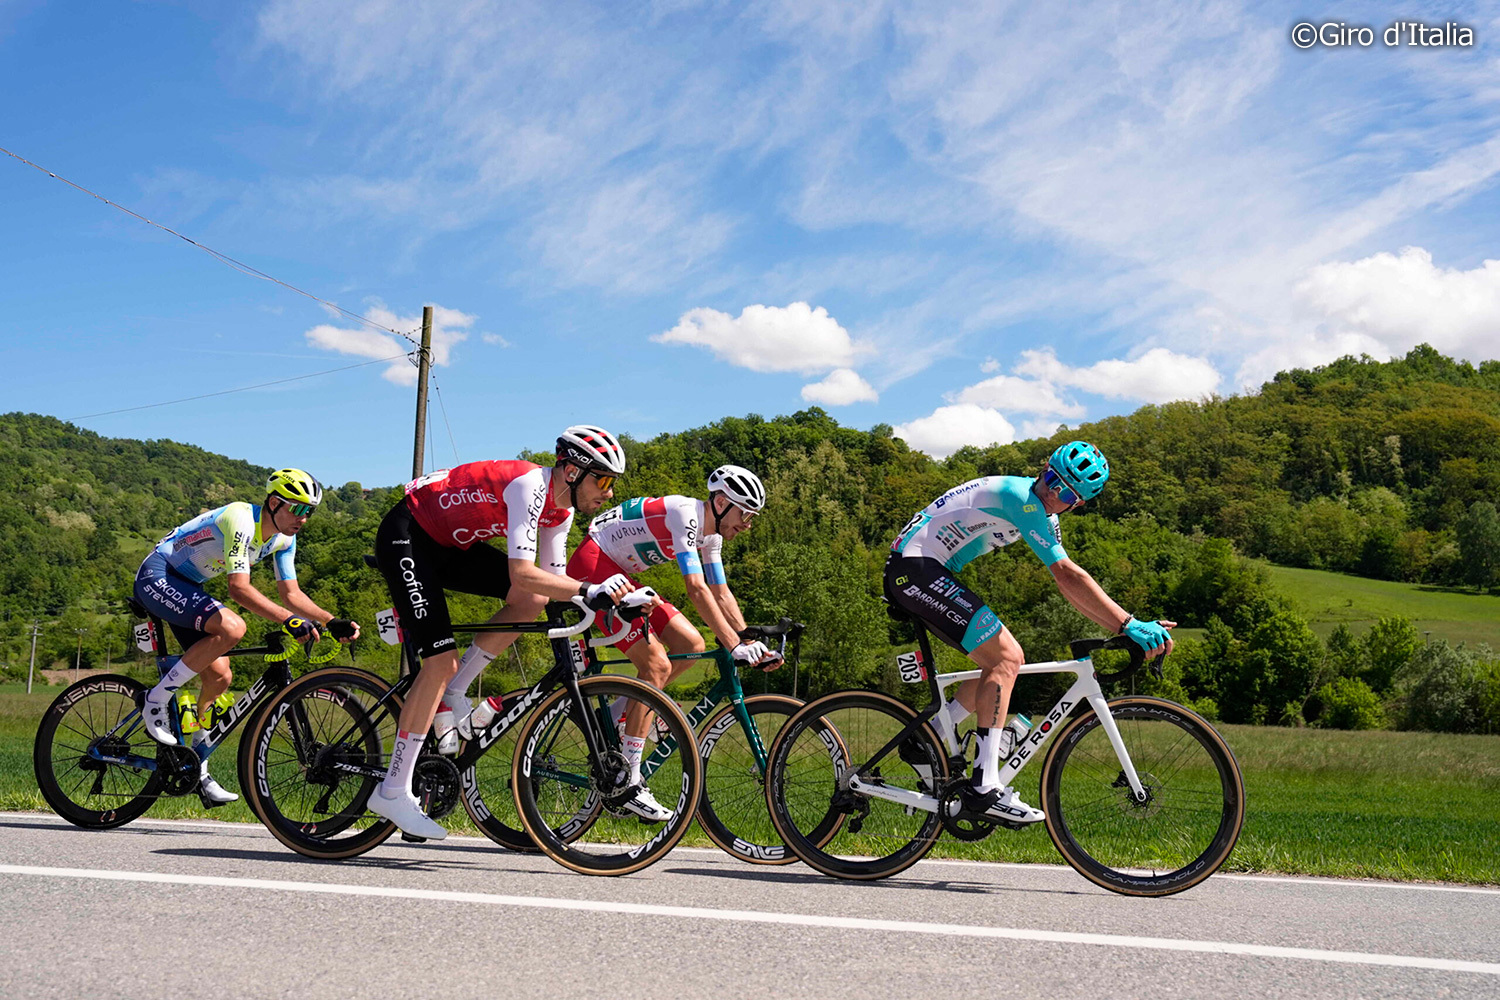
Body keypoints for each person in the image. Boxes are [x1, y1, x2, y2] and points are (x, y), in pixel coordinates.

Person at [884, 440, 1174, 825]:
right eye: (1052, 480)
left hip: (923, 568)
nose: (1053, 492)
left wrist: (1121, 628)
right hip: (914, 568)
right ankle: (984, 786)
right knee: (1007, 658)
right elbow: (1068, 574)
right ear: (1044, 469)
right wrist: (1129, 624)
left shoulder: (1043, 517)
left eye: (1065, 493)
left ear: (1076, 504)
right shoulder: (1020, 498)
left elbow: (1068, 588)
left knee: (1002, 663)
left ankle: (930, 737)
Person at [370, 425, 637, 840]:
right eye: (603, 481)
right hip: (407, 535)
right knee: (439, 662)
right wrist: (590, 589)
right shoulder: (530, 487)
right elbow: (523, 572)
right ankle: (392, 790)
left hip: (448, 546)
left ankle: (454, 692)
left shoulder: (560, 511)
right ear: (572, 472)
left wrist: (618, 598)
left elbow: (551, 584)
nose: (609, 492)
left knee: (532, 601)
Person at [564, 464, 778, 821]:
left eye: (752, 517)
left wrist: (747, 639)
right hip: (593, 567)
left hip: (619, 573)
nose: (748, 524)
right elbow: (696, 589)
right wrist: (732, 646)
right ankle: (629, 780)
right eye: (745, 514)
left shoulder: (711, 537)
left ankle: (616, 716)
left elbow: (720, 592)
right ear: (721, 503)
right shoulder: (685, 515)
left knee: (690, 644)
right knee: (657, 666)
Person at [134, 468, 360, 804]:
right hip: (158, 575)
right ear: (274, 503)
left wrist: (329, 621)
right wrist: (290, 621)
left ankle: (198, 768)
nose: (303, 519)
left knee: (220, 677)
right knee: (233, 627)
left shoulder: (284, 539)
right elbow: (238, 589)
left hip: (189, 586)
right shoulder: (240, 518)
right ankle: (155, 699)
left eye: (309, 512)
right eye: (298, 509)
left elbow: (291, 594)